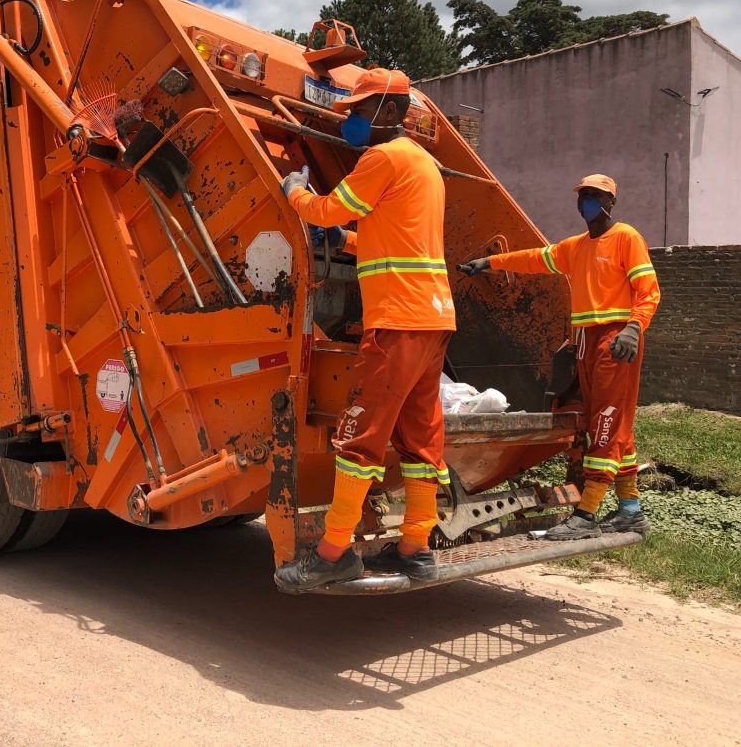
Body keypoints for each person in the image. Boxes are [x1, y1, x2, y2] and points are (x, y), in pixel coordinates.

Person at [274, 67, 456, 592]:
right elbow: (392, 234)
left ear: (392, 112)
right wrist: (346, 241)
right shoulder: (425, 164)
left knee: (360, 437)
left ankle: (333, 554)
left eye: (360, 109)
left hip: (396, 320)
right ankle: (416, 548)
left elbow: (331, 207)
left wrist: (296, 194)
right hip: (433, 319)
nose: (352, 119)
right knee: (421, 441)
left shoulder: (382, 157)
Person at [459, 174, 660, 539]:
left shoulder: (626, 238)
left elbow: (648, 290)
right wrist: (490, 263)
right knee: (613, 425)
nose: (586, 202)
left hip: (615, 339)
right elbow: (535, 258)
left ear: (611, 203)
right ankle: (630, 509)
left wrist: (634, 328)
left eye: (594, 196)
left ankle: (586, 514)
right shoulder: (576, 247)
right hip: (585, 340)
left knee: (605, 423)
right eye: (582, 196)